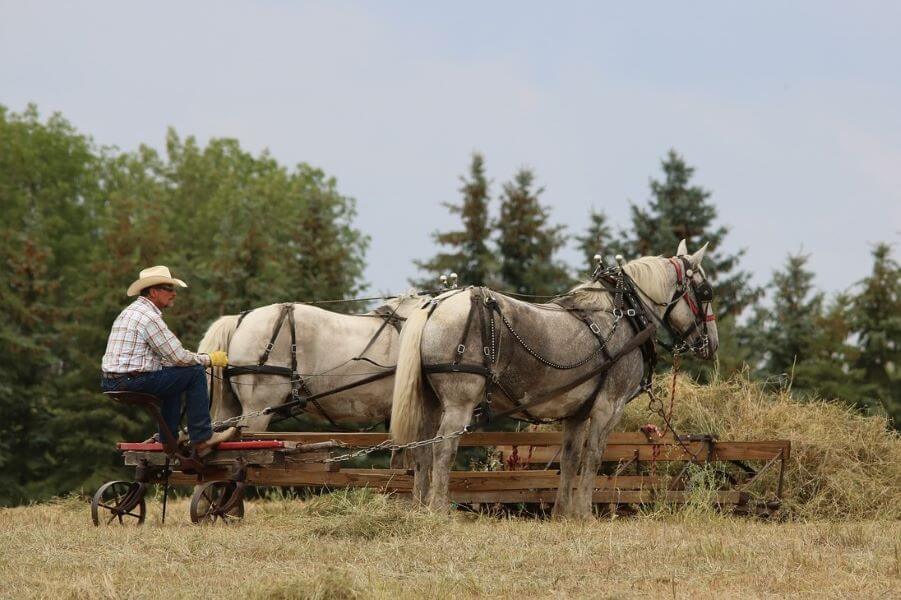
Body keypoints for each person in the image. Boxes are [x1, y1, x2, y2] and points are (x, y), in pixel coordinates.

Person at [101, 265, 237, 455]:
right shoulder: (149, 318)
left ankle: (169, 439)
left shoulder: (131, 312)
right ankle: (202, 437)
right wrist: (210, 359)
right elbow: (179, 357)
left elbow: (171, 361)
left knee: (174, 377)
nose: (174, 294)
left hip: (112, 381)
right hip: (131, 380)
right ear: (154, 292)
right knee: (195, 372)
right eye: (169, 289)